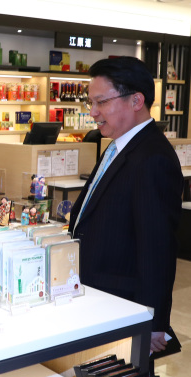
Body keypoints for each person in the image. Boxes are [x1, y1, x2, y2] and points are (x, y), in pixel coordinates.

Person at [68, 56, 183, 356]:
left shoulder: (153, 158)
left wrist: (154, 321)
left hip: (124, 306)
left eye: (101, 102)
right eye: (90, 103)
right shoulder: (118, 146)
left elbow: (157, 248)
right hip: (98, 298)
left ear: (136, 100)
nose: (93, 113)